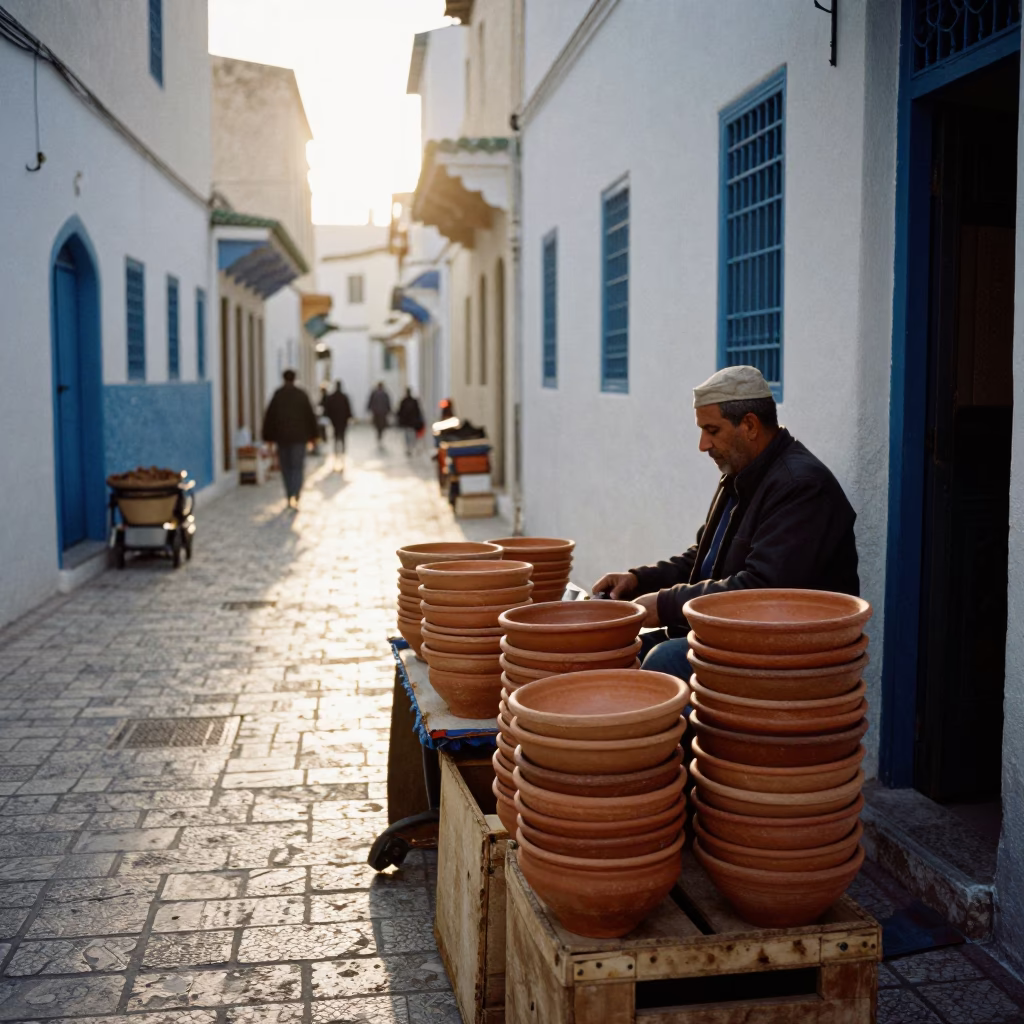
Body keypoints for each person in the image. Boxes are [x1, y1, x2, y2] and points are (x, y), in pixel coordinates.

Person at [592, 365, 859, 681]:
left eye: (712, 430)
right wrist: (640, 580)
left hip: (785, 657)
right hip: (729, 637)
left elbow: (764, 590)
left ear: (749, 425)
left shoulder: (801, 487)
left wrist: (665, 605)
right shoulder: (740, 474)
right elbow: (706, 557)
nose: (703, 444)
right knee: (613, 653)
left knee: (662, 661)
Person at [262, 369, 319, 509]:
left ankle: (289, 494)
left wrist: (268, 438)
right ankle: (296, 492)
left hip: (282, 438)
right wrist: (314, 437)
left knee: (286, 467)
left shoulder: (278, 395)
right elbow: (310, 417)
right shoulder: (301, 395)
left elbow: (269, 417)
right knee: (297, 466)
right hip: (299, 438)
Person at [321, 380, 353, 470]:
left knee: (336, 438)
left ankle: (337, 455)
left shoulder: (332, 397)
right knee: (342, 438)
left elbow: (327, 409)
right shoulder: (343, 397)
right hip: (342, 421)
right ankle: (341, 454)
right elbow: (348, 409)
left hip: (335, 421)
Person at [396, 387, 425, 456]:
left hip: (408, 422)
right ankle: (411, 447)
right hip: (412, 422)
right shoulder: (413, 401)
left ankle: (409, 448)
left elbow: (399, 412)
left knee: (408, 435)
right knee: (411, 435)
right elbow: (418, 412)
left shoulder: (404, 401)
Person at [367, 381, 392, 447]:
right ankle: (380, 435)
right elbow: (388, 403)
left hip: (376, 412)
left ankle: (379, 434)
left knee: (377, 425)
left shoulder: (375, 393)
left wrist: (369, 408)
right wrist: (389, 410)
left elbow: (370, 401)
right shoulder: (385, 394)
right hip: (382, 413)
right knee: (381, 425)